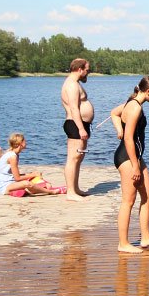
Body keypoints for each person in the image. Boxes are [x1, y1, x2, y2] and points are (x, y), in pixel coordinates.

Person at [111, 75, 149, 254]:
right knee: (128, 200)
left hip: (135, 156)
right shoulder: (134, 108)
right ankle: (123, 243)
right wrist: (135, 165)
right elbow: (128, 138)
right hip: (127, 157)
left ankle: (146, 237)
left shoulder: (133, 103)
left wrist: (119, 127)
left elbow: (114, 113)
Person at [61, 58, 93, 200]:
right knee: (73, 158)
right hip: (75, 125)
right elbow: (74, 108)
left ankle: (75, 188)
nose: (88, 73)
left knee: (79, 157)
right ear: (80, 69)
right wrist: (81, 128)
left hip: (81, 125)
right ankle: (70, 192)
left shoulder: (75, 83)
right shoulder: (72, 85)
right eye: (87, 70)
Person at [0, 133, 65, 197]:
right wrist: (33, 175)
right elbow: (17, 178)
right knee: (27, 183)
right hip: (5, 186)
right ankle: (51, 192)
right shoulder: (12, 157)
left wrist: (31, 175)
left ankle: (25, 190)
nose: (26, 143)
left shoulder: (14, 154)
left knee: (41, 182)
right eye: (25, 141)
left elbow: (14, 175)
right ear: (21, 143)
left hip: (11, 182)